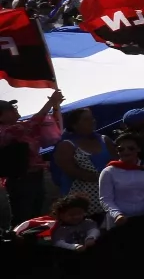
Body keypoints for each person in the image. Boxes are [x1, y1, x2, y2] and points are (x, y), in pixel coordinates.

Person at [0, 92, 62, 223]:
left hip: (35, 176)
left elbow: (47, 126)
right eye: (10, 109)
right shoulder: (6, 131)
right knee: (23, 217)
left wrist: (55, 107)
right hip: (21, 180)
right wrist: (51, 102)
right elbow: (35, 122)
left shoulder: (20, 128)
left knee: (35, 215)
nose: (15, 109)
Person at [96, 133, 144, 228]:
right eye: (121, 149)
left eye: (131, 148)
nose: (125, 151)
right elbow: (105, 199)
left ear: (139, 149)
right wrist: (116, 214)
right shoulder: (109, 172)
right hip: (120, 221)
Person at [50, 108, 108, 205]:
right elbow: (73, 172)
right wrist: (103, 178)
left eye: (92, 118)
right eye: (86, 119)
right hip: (79, 202)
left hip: (107, 197)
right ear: (74, 125)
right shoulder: (66, 145)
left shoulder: (105, 140)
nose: (92, 121)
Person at [11, 194, 102, 250]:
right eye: (72, 214)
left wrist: (90, 238)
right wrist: (75, 247)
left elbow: (93, 229)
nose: (76, 217)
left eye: (80, 213)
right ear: (61, 215)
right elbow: (58, 242)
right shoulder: (59, 228)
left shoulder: (87, 223)